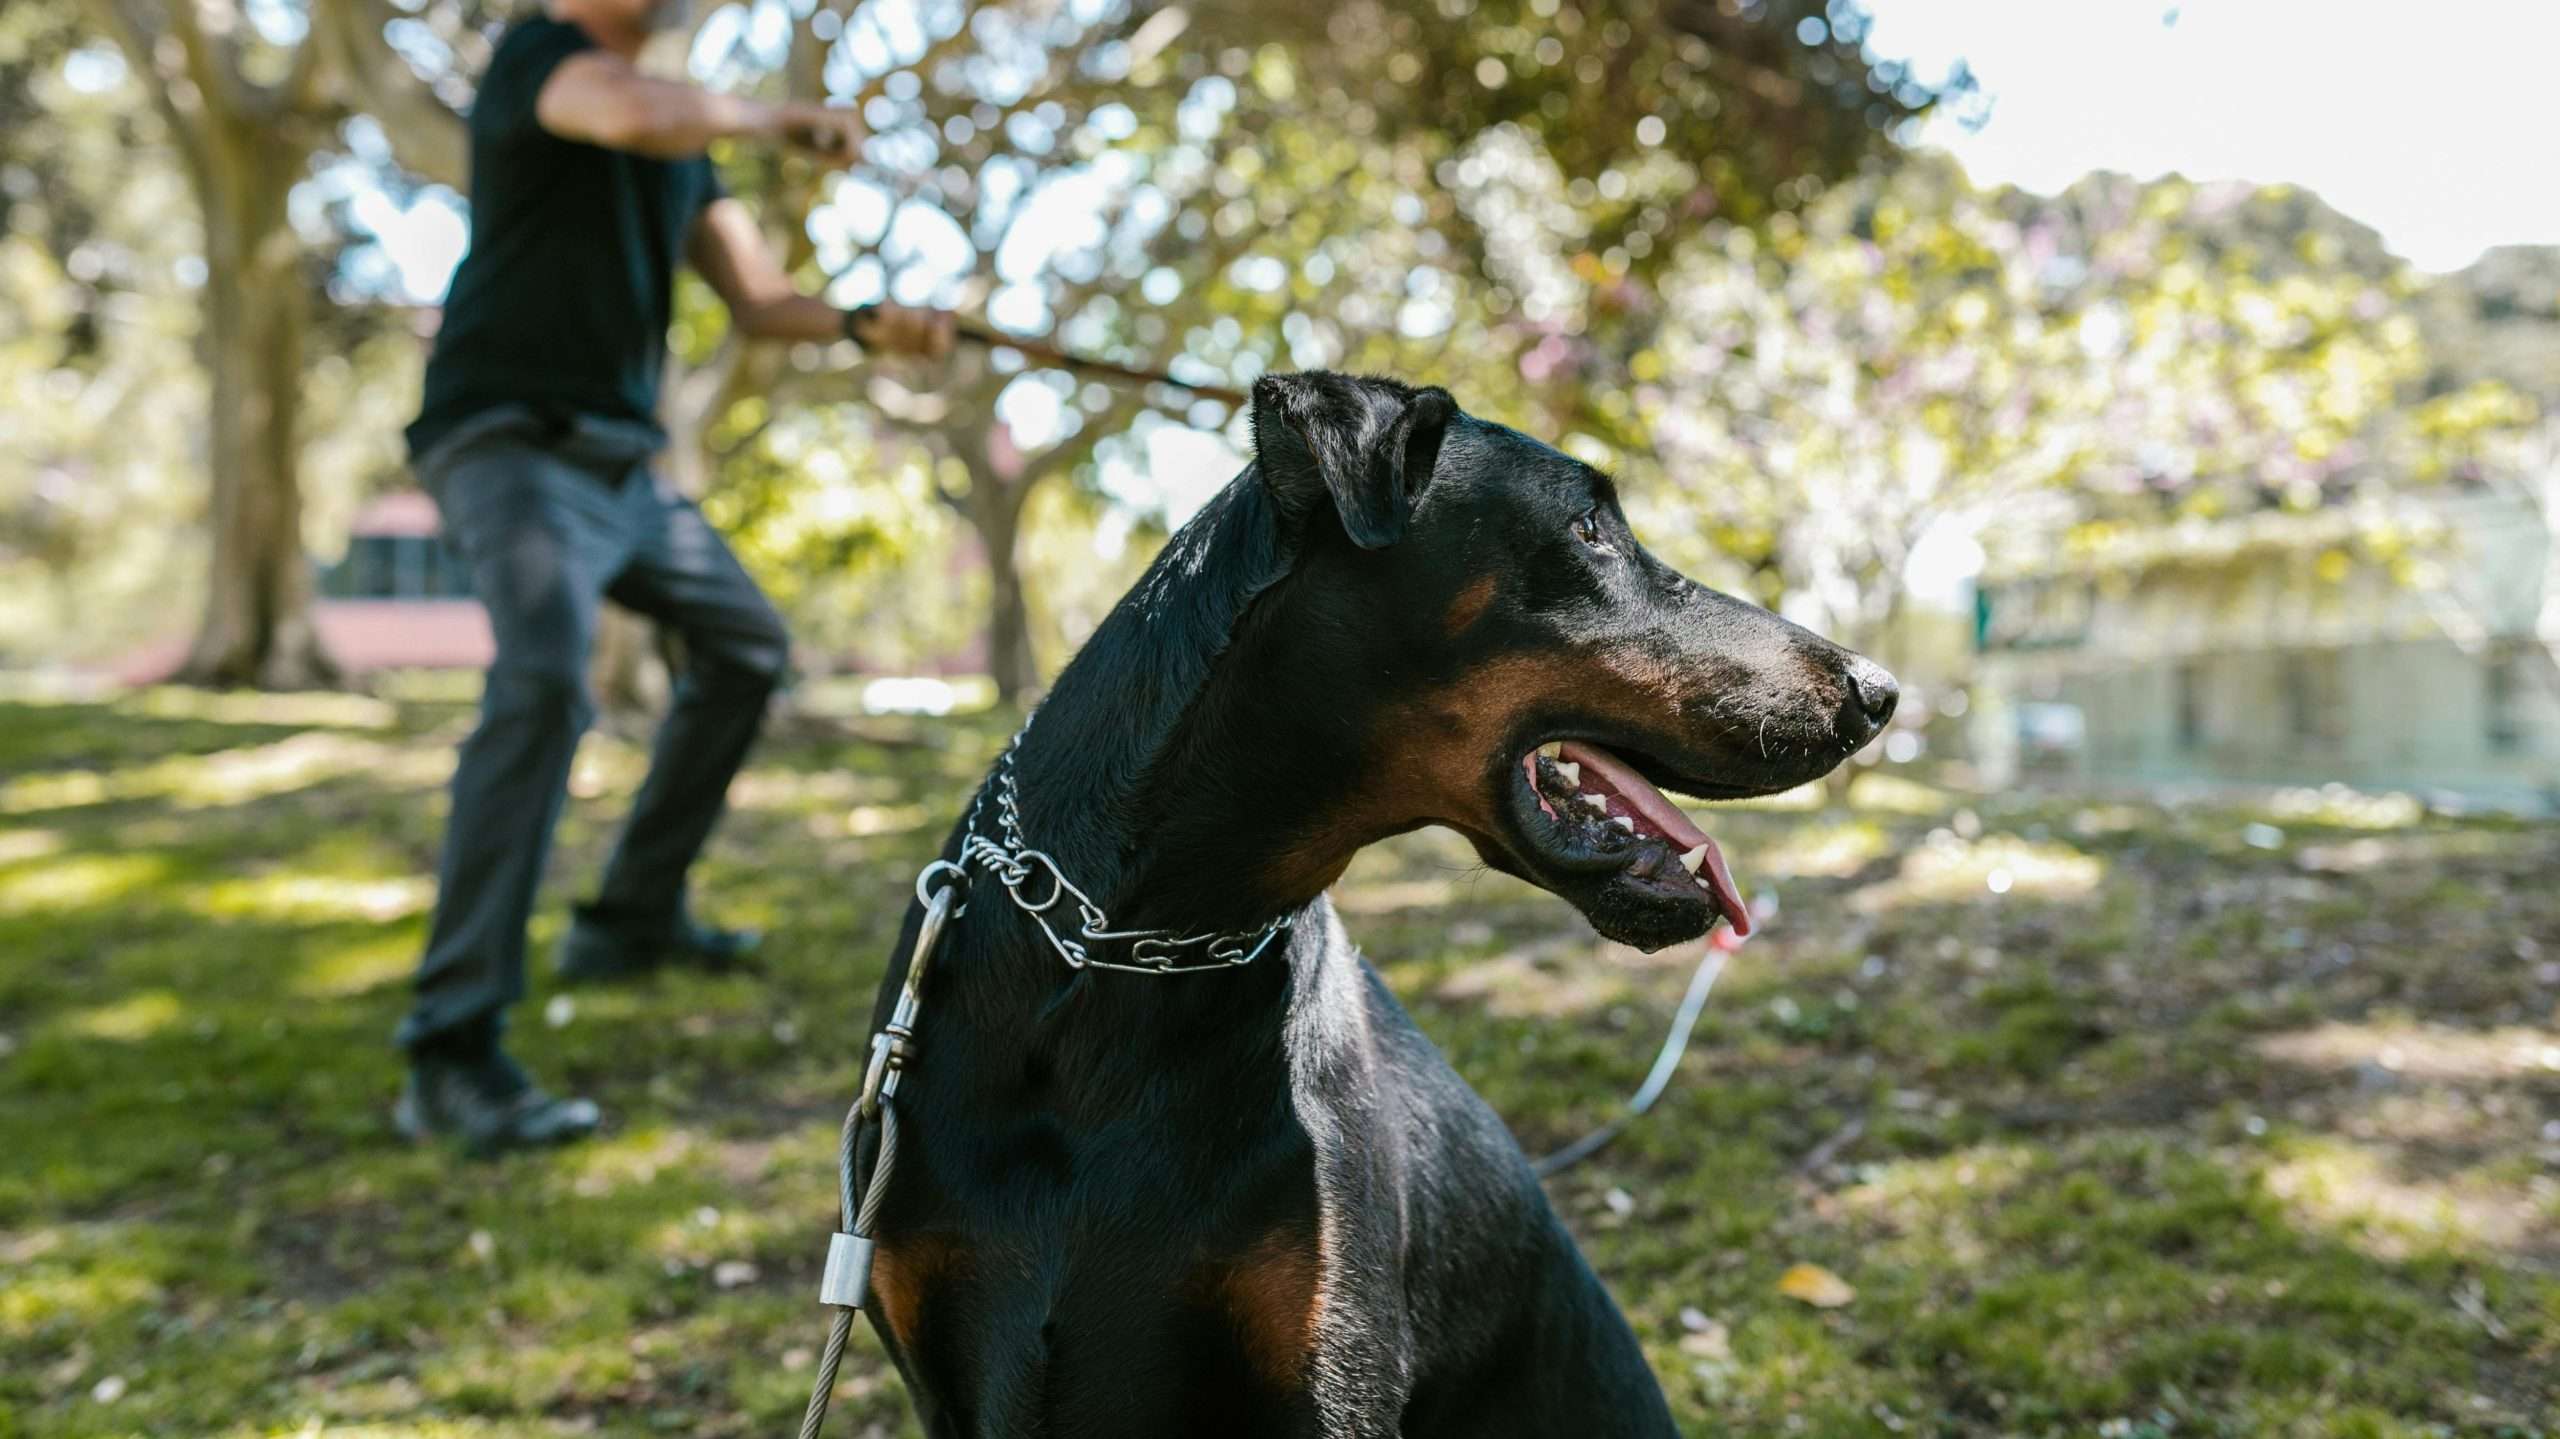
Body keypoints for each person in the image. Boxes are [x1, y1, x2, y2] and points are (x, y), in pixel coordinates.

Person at [393, 0, 954, 1156]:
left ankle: (631, 916)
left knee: (748, 645)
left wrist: (864, 322)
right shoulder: (544, 60)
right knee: (546, 680)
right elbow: (633, 113)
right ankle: (449, 1051)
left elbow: (757, 299)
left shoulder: (684, 137)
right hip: (505, 437)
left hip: (622, 466)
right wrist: (776, 116)